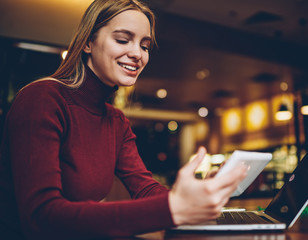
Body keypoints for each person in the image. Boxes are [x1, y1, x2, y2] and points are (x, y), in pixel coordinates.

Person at [0, 0, 248, 239]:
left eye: (145, 46)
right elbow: (41, 219)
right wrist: (171, 208)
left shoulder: (116, 120)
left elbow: (144, 188)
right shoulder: (43, 98)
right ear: (88, 42)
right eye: (122, 40)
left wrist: (195, 196)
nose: (137, 54)